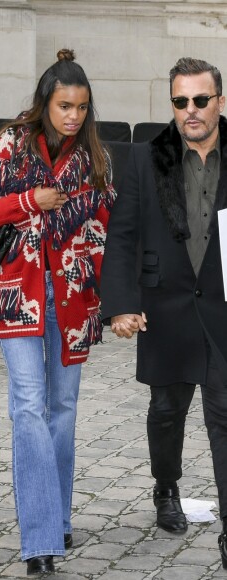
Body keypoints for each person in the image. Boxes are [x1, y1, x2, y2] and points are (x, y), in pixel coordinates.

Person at [0, 49, 116, 574]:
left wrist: (113, 300)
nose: (73, 116)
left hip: (73, 301)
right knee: (28, 407)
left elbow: (102, 232)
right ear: (45, 103)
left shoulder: (94, 156)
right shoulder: (11, 142)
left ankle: (57, 516)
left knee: (64, 411)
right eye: (64, 106)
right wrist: (31, 200)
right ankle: (40, 541)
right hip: (19, 294)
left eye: (81, 107)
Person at [100, 56, 227, 566]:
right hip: (165, 308)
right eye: (180, 101)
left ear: (220, 100)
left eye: (200, 100)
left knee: (224, 416)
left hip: (222, 311)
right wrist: (121, 306)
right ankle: (166, 488)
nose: (190, 110)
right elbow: (122, 235)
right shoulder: (145, 158)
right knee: (167, 411)